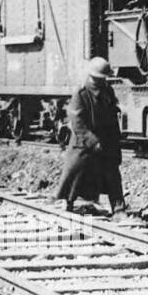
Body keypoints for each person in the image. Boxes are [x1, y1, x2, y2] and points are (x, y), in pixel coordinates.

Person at [55, 57, 126, 215]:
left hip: (106, 141)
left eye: (103, 79)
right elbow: (78, 124)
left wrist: (115, 141)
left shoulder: (108, 92)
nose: (100, 82)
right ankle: (66, 200)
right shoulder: (81, 94)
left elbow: (112, 117)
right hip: (84, 142)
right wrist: (93, 143)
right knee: (75, 168)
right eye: (97, 79)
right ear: (91, 77)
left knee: (112, 172)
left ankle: (119, 208)